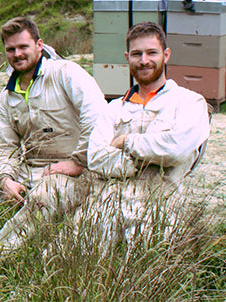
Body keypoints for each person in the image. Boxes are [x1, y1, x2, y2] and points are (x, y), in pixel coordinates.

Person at [0, 16, 107, 256]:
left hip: (78, 174)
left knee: (43, 198)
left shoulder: (66, 73)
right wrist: (6, 179)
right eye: (11, 49)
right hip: (30, 170)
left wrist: (79, 161)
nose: (17, 54)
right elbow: (4, 147)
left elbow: (98, 115)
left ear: (39, 45)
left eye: (23, 47)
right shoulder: (6, 97)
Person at [67, 21, 211, 253]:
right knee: (69, 259)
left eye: (151, 52)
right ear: (127, 58)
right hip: (107, 201)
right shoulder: (113, 108)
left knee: (147, 271)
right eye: (137, 54)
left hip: (161, 206)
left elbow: (177, 149)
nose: (144, 60)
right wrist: (149, 159)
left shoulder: (190, 102)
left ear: (166, 55)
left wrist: (126, 142)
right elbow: (95, 158)